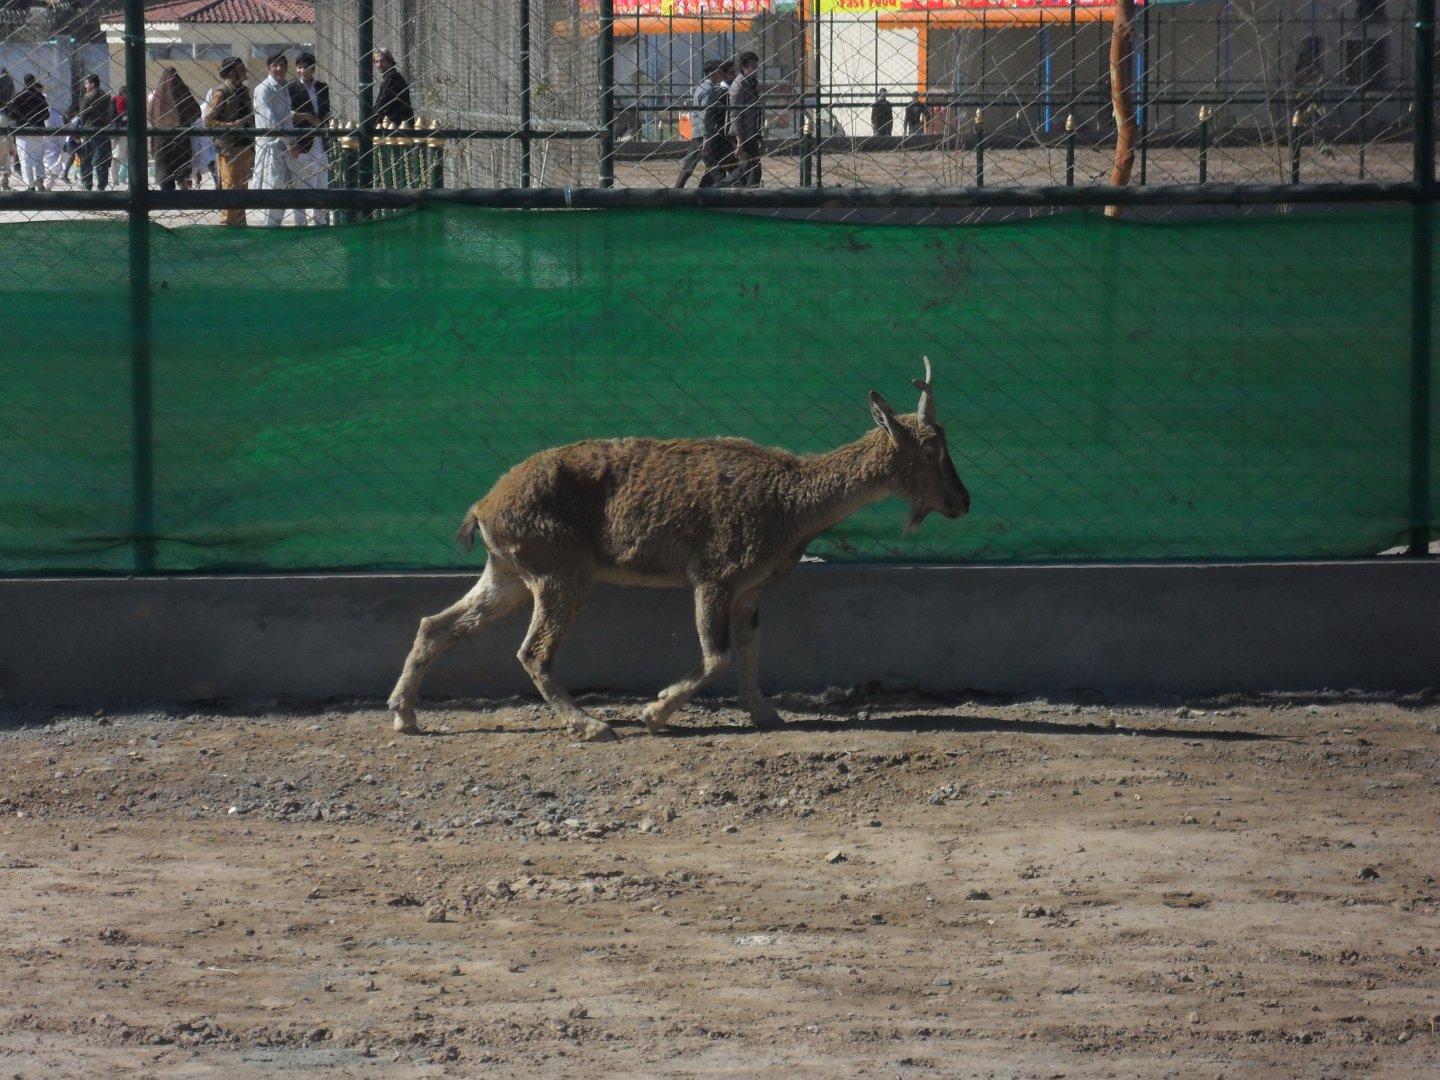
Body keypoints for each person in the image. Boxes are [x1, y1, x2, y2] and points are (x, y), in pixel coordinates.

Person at [252, 51, 302, 227]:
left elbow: (286, 119)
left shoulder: (283, 88)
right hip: (271, 146)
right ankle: (270, 229)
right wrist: (289, 143)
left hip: (286, 146)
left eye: (282, 65)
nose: (279, 69)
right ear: (269, 68)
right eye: (276, 65)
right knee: (273, 188)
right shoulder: (263, 89)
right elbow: (271, 122)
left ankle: (280, 226)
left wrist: (293, 142)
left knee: (289, 188)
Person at [205, 56, 254, 225]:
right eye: (241, 69)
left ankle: (240, 222)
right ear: (232, 72)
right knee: (230, 186)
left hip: (245, 146)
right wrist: (231, 125)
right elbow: (208, 121)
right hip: (229, 147)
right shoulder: (222, 92)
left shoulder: (242, 90)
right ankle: (227, 223)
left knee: (242, 188)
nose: (244, 72)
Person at [287, 51, 330, 224]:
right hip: (302, 139)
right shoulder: (291, 88)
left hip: (320, 139)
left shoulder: (322, 87)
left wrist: (325, 120)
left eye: (305, 67)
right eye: (299, 67)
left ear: (312, 68)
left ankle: (320, 220)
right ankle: (300, 222)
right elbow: (287, 114)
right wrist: (306, 116)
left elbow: (326, 110)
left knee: (321, 180)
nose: (302, 71)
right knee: (303, 181)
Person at [148, 66, 200, 190]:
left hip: (162, 140)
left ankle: (167, 196)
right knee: (182, 169)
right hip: (181, 138)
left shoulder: (158, 95)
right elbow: (196, 111)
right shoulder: (182, 92)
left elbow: (150, 115)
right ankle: (182, 190)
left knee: (164, 172)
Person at [675, 60, 720, 188]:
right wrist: (707, 137)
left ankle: (676, 191)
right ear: (713, 72)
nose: (721, 73)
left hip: (697, 133)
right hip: (703, 134)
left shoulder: (701, 87)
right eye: (719, 70)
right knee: (715, 168)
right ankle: (724, 190)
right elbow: (704, 115)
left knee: (689, 166)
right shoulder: (709, 90)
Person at [6, 74, 50, 191]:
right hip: (38, 130)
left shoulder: (19, 97)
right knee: (38, 157)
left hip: (23, 131)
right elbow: (47, 115)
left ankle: (30, 185)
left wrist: (22, 117)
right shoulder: (40, 97)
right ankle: (40, 178)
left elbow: (11, 114)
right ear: (34, 81)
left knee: (25, 159)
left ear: (24, 82)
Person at [697, 57, 736, 188]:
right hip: (716, 137)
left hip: (717, 137)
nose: (733, 76)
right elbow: (707, 115)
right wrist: (707, 136)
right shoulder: (718, 92)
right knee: (722, 170)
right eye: (730, 73)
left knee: (715, 169)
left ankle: (701, 194)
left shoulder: (721, 90)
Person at [727, 51, 762, 188]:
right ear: (744, 67)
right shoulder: (739, 85)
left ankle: (743, 192)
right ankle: (748, 195)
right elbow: (734, 114)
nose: (756, 69)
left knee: (749, 168)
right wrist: (739, 141)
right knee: (751, 169)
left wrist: (758, 134)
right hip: (742, 134)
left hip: (750, 132)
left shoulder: (751, 83)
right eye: (753, 66)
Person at [75, 73, 114, 191]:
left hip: (90, 131)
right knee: (102, 158)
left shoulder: (88, 97)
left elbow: (83, 115)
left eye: (86, 83)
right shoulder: (106, 96)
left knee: (86, 159)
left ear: (91, 83)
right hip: (104, 130)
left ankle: (87, 184)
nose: (85, 85)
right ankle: (101, 185)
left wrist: (79, 130)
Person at [370, 48, 414, 127]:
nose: (379, 64)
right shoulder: (390, 76)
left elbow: (383, 101)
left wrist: (371, 120)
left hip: (396, 123)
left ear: (390, 61)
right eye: (377, 62)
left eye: (382, 61)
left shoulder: (392, 77)